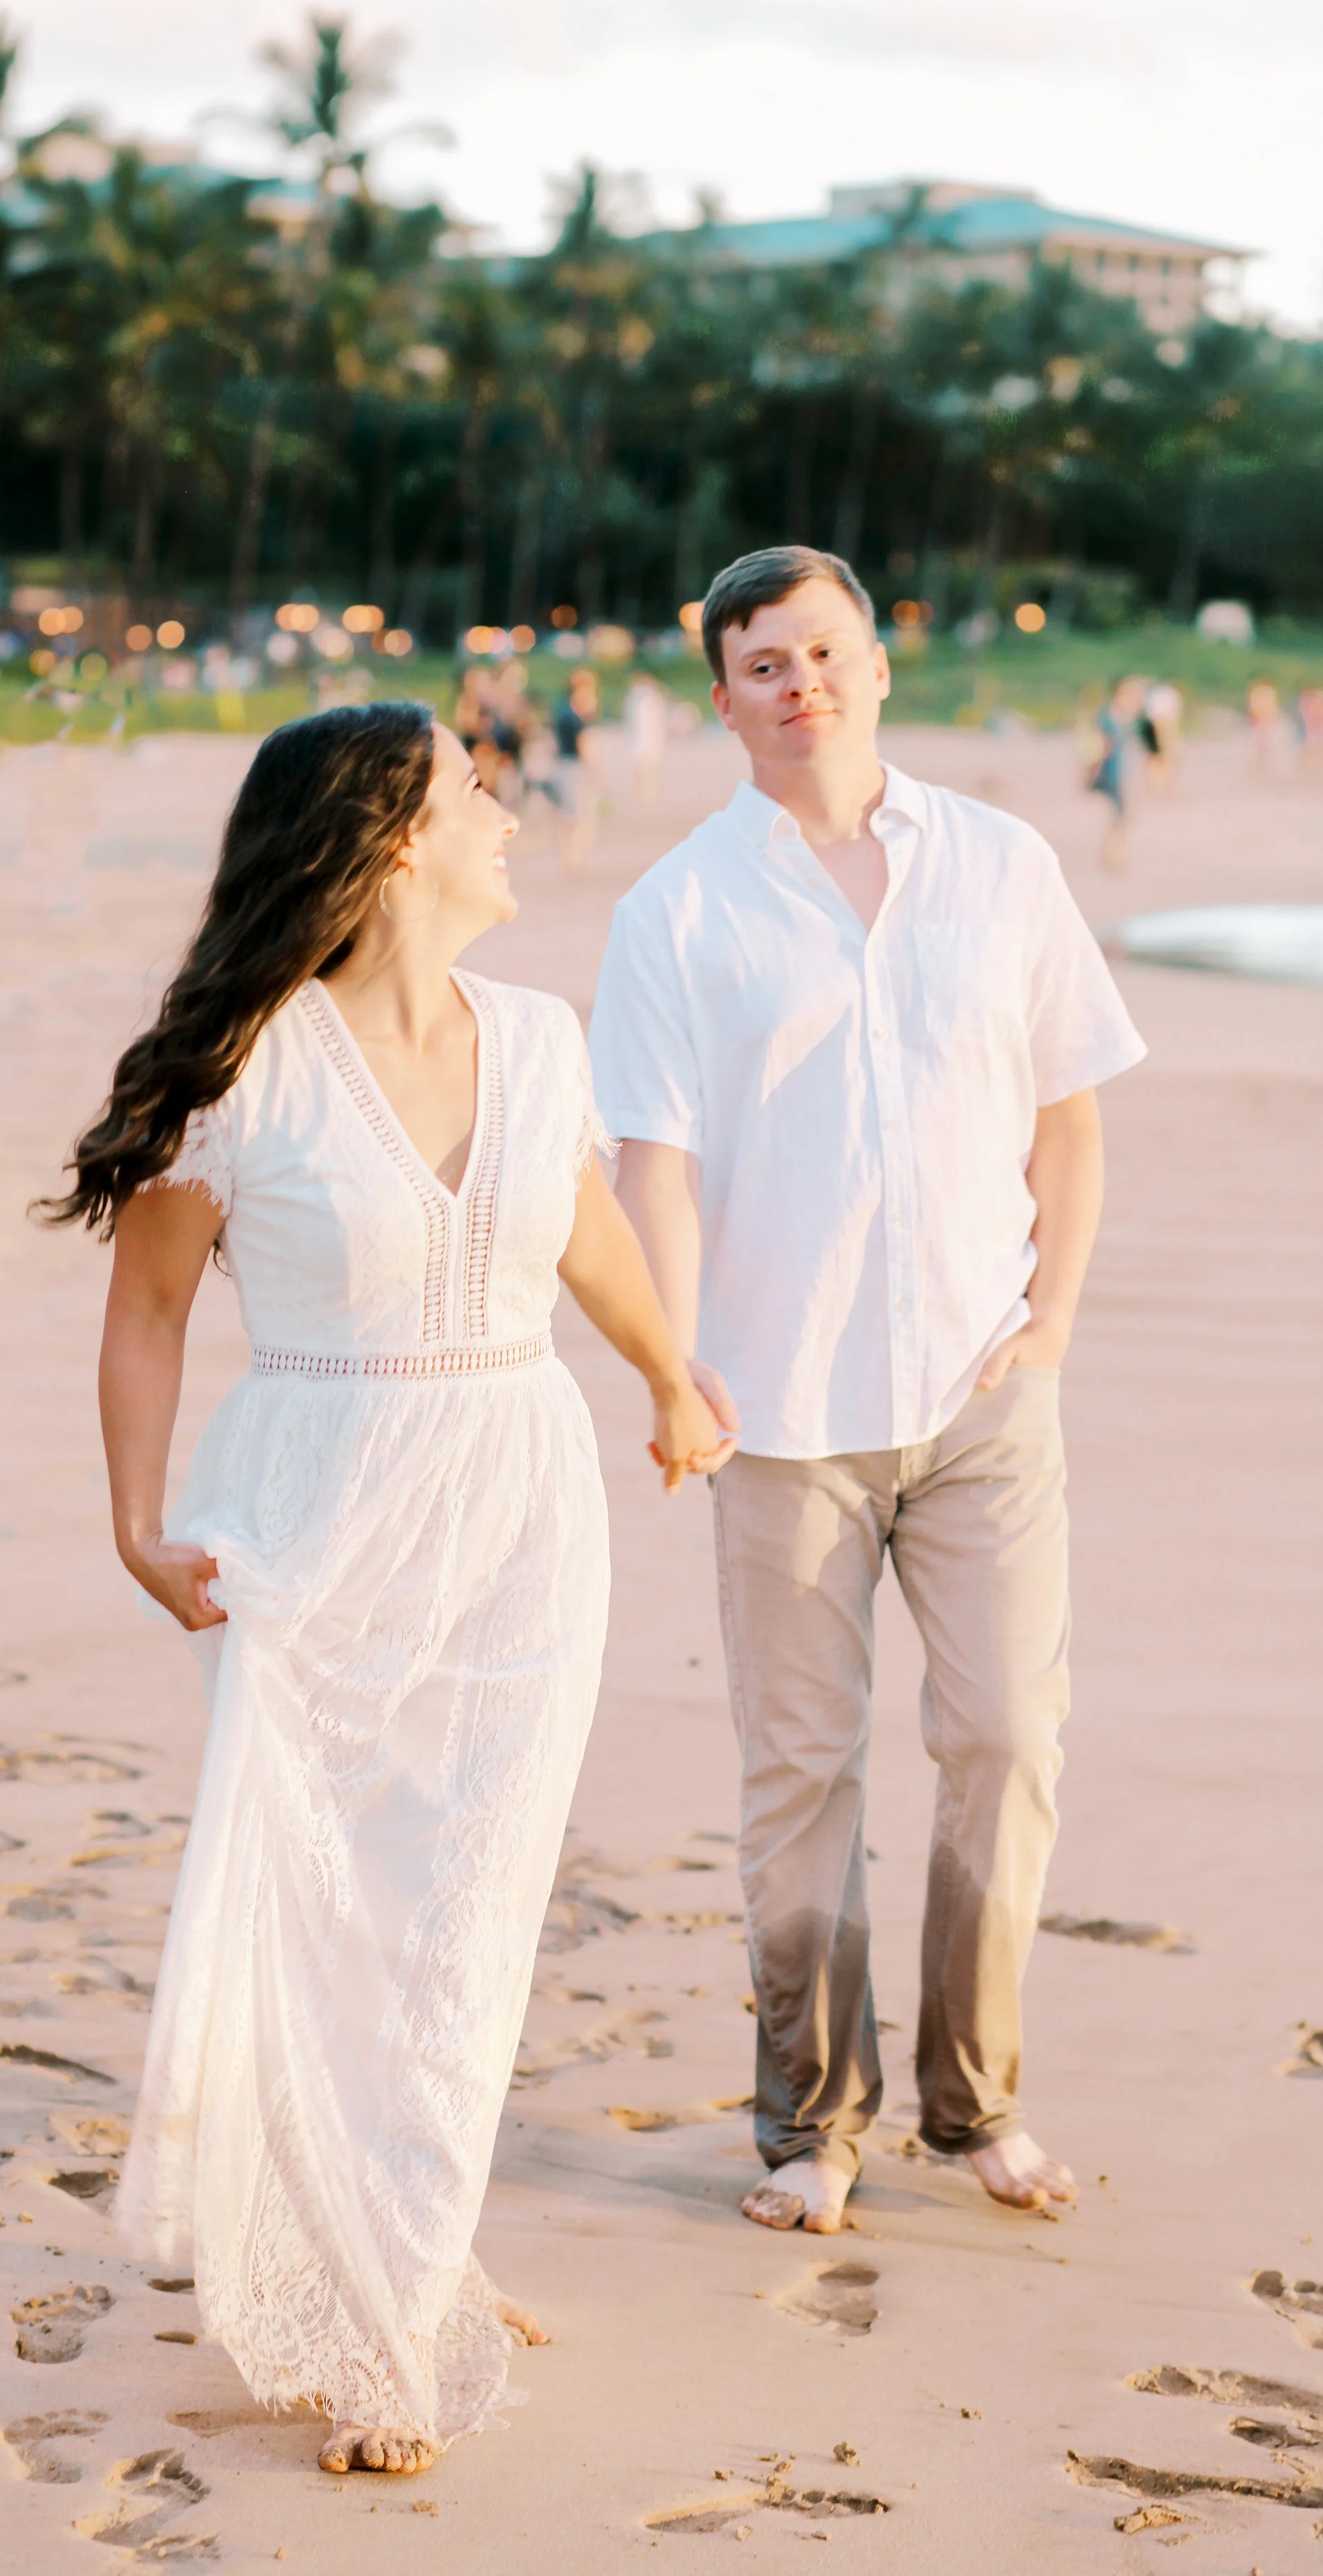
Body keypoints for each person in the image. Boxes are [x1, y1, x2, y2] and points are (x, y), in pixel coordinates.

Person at [44, 703, 731, 2476]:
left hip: (516, 1511)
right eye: (472, 789)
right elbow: (148, 1307)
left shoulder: (537, 1031)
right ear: (391, 838)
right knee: (328, 1902)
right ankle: (371, 2312)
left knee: (471, 1900)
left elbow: (580, 1227)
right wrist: (135, 1519)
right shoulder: (243, 1065)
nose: (507, 810)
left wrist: (668, 1376)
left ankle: (413, 2242)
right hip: (316, 1521)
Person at [589, 546, 1146, 2237]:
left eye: (822, 649)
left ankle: (975, 2096)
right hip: (780, 1409)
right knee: (801, 1771)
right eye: (762, 663)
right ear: (724, 698)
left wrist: (1050, 1321)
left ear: (876, 664)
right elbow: (656, 1164)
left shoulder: (999, 861)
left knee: (1004, 1734)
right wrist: (676, 1363)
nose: (799, 682)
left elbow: (1070, 1109)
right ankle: (808, 2122)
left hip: (983, 1394)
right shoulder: (676, 908)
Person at [1087, 674, 1146, 868]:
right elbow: (1103, 745)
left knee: (1123, 816)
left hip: (1127, 770)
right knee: (1121, 815)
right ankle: (1111, 856)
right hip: (1116, 771)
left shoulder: (1127, 714)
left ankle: (1114, 854)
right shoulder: (1110, 714)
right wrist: (1093, 770)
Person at [551, 667, 602, 874]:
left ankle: (569, 857)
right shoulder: (576, 714)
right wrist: (596, 770)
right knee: (579, 816)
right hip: (575, 767)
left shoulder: (562, 710)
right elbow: (584, 744)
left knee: (569, 813)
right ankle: (574, 858)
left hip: (564, 764)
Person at [624, 669, 670, 804]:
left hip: (650, 733)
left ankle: (649, 789)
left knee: (650, 762)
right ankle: (642, 789)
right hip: (641, 733)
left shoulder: (650, 697)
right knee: (641, 761)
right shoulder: (636, 697)